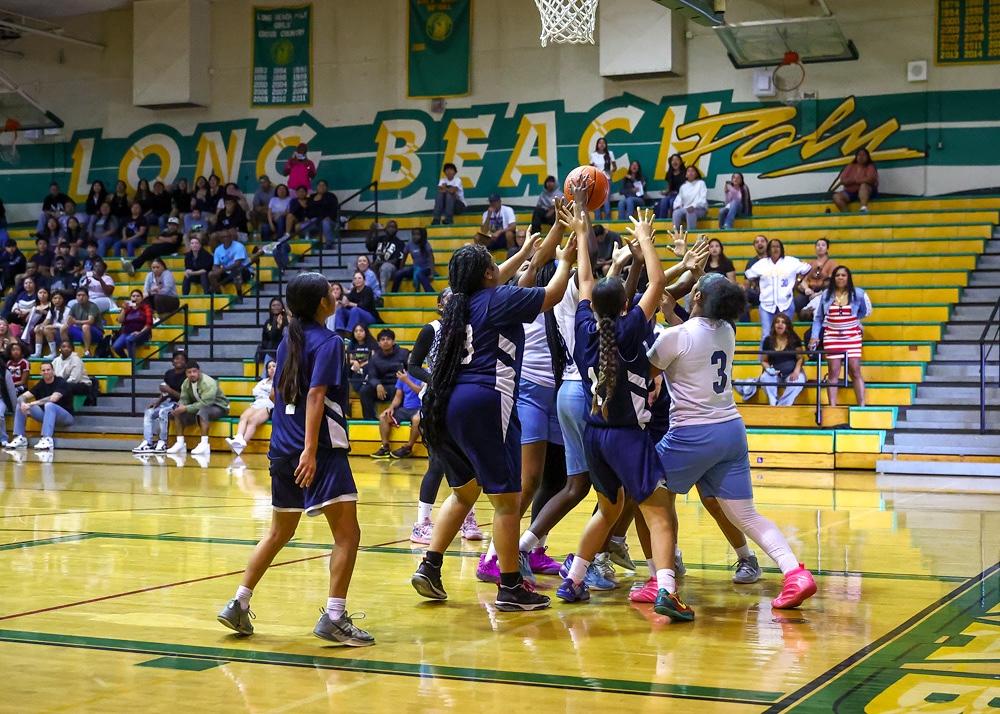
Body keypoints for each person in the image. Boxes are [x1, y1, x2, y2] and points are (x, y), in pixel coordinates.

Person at [410, 233, 575, 612]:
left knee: (464, 493)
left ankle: (430, 566)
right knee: (507, 502)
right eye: (493, 264)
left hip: (445, 403)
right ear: (487, 274)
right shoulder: (498, 299)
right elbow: (552, 295)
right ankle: (511, 586)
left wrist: (527, 251)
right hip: (486, 401)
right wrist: (564, 260)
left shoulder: (460, 304)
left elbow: (500, 275)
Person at [216, 272, 374, 646]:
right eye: (330, 293)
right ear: (323, 303)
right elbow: (316, 396)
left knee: (279, 532)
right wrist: (310, 450)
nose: (335, 296)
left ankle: (238, 603)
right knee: (348, 535)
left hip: (282, 447)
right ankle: (334, 617)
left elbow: (280, 394)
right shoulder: (330, 342)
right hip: (318, 450)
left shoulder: (289, 339)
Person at [648, 273, 817, 610]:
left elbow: (645, 371)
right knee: (747, 516)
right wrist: (672, 312)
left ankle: (661, 581)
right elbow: (693, 340)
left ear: (697, 296)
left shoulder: (675, 336)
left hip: (691, 433)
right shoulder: (727, 330)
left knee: (646, 492)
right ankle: (795, 573)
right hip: (730, 430)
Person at [406, 288, 482, 544]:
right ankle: (422, 523)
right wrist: (434, 380)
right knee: (437, 463)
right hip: (436, 400)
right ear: (440, 306)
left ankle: (467, 518)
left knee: (469, 463)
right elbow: (413, 365)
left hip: (463, 398)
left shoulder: (470, 329)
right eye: (448, 300)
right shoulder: (432, 329)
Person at [810, 265, 871, 407]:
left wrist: (851, 320)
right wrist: (814, 336)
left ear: (848, 277)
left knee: (855, 371)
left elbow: (866, 311)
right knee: (833, 372)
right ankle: (832, 407)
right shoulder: (826, 295)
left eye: (843, 275)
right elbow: (819, 318)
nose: (840, 278)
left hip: (852, 336)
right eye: (837, 275)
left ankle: (861, 405)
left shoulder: (858, 293)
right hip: (832, 337)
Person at [744, 238, 811, 344]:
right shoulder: (762, 263)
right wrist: (756, 286)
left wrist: (797, 282)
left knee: (786, 333)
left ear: (781, 249)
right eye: (773, 246)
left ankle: (785, 354)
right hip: (766, 304)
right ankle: (764, 355)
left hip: (786, 303)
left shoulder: (790, 261)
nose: (775, 249)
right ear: (769, 249)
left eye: (777, 246)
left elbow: (806, 268)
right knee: (766, 334)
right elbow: (749, 275)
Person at [2, 362, 75, 451]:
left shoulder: (61, 382)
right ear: (40, 373)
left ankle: (47, 438)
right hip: (47, 415)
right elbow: (22, 396)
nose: (46, 372)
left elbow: (53, 398)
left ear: (53, 371)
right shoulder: (41, 384)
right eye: (43, 370)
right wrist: (23, 403)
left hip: (65, 417)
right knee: (20, 405)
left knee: (49, 405)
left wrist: (31, 404)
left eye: (48, 370)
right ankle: (20, 437)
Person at [166, 360, 230, 455]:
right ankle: (180, 443)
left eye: (194, 371)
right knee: (179, 413)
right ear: (186, 373)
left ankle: (204, 444)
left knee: (203, 412)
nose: (192, 374)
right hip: (199, 406)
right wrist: (181, 406)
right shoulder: (186, 383)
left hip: (219, 406)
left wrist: (186, 408)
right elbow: (184, 398)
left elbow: (206, 403)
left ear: (199, 371)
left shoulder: (208, 382)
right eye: (189, 372)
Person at [133, 350, 187, 454]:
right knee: (149, 412)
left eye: (182, 359)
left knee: (163, 412)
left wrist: (169, 390)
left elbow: (184, 397)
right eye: (177, 359)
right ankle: (147, 442)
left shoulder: (186, 376)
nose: (179, 361)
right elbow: (165, 393)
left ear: (185, 362)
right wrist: (157, 402)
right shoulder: (169, 374)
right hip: (170, 402)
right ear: (172, 361)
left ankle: (162, 442)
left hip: (180, 404)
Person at [226, 359, 276, 456]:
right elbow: (256, 392)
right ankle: (238, 438)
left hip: (270, 405)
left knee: (252, 420)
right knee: (243, 416)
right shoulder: (263, 382)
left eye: (274, 366)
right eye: (269, 367)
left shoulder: (281, 381)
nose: (271, 369)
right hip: (258, 403)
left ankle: (242, 443)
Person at [371, 369, 423, 459]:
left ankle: (408, 447)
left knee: (417, 419)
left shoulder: (424, 375)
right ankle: (385, 447)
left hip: (420, 407)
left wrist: (406, 380)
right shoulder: (403, 375)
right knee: (384, 416)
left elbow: (421, 392)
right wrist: (391, 407)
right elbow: (398, 397)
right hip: (405, 409)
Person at [358, 328, 407, 420]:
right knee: (365, 391)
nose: (385, 342)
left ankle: (396, 418)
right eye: (382, 339)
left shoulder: (404, 354)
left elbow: (410, 371)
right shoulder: (374, 358)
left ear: (393, 341)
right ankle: (370, 419)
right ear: (379, 343)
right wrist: (377, 385)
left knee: (398, 391)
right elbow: (372, 375)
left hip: (399, 385)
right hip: (382, 387)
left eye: (388, 339)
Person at [758, 313, 806, 406]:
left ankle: (781, 406)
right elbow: (764, 361)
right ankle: (773, 403)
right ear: (774, 325)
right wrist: (769, 370)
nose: (780, 324)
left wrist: (796, 371)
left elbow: (800, 358)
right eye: (777, 322)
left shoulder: (794, 339)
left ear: (787, 326)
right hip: (774, 373)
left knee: (798, 381)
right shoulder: (768, 340)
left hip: (792, 372)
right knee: (764, 378)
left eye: (783, 322)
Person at [795, 238, 837, 320]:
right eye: (818, 245)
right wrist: (806, 289)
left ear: (827, 249)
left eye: (823, 245)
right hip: (810, 290)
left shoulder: (831, 263)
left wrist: (817, 294)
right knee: (797, 302)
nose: (820, 247)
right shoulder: (810, 263)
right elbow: (802, 279)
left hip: (824, 291)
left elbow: (831, 282)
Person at [332, 271, 381, 336]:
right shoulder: (353, 291)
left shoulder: (368, 290)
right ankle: (340, 331)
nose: (357, 280)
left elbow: (364, 306)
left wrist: (350, 304)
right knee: (341, 310)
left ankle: (349, 332)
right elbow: (348, 304)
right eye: (355, 278)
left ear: (364, 280)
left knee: (355, 309)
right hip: (355, 314)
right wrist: (344, 304)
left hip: (369, 316)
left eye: (359, 278)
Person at [832, 148, 878, 213]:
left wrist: (855, 181)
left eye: (863, 155)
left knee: (864, 185)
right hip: (850, 192)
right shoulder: (850, 166)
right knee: (836, 197)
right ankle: (847, 215)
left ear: (868, 157)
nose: (861, 157)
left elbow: (870, 179)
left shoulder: (870, 166)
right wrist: (847, 182)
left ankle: (864, 208)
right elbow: (842, 180)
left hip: (868, 192)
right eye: (859, 155)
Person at [112, 289, 154, 359]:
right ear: (131, 298)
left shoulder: (146, 308)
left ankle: (132, 362)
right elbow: (120, 320)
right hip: (127, 332)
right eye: (133, 296)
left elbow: (149, 323)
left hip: (142, 333)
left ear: (142, 298)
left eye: (138, 296)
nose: (135, 298)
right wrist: (124, 309)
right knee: (116, 346)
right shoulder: (128, 308)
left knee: (129, 340)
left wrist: (140, 333)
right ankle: (126, 360)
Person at [392, 227, 435, 293]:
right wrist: (401, 269)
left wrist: (432, 274)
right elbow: (404, 258)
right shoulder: (409, 244)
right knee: (399, 273)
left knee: (419, 274)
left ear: (422, 236)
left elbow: (431, 258)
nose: (415, 237)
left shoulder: (426, 244)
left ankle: (431, 292)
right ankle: (394, 293)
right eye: (413, 235)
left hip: (426, 268)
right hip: (415, 268)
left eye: (417, 235)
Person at [63, 287, 103, 357]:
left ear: (88, 297)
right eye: (79, 295)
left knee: (85, 326)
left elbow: (90, 321)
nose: (81, 297)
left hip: (95, 332)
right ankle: (68, 351)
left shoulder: (92, 306)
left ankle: (87, 352)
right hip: (82, 332)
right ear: (76, 297)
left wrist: (75, 321)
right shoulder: (75, 306)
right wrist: (67, 323)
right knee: (63, 328)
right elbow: (69, 318)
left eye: (83, 295)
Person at [209, 230, 251, 294]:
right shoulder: (218, 250)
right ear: (220, 239)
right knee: (211, 274)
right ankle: (219, 294)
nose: (226, 239)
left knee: (236, 270)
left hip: (244, 271)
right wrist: (216, 270)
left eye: (228, 236)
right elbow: (216, 265)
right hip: (227, 272)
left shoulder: (239, 246)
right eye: (223, 237)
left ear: (231, 237)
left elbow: (237, 263)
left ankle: (239, 294)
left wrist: (222, 269)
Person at [371, 221, 405, 293]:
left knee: (386, 267)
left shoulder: (400, 243)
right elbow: (369, 246)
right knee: (360, 265)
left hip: (392, 270)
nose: (391, 229)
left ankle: (382, 292)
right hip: (376, 267)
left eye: (393, 227)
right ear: (385, 229)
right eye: (389, 227)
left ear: (397, 230)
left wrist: (378, 263)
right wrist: (371, 231)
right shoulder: (380, 240)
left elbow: (395, 261)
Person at [589, 137, 616, 220]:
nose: (601, 144)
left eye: (603, 143)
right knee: (597, 199)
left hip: (607, 179)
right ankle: (598, 220)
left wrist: (610, 171)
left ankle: (608, 220)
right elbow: (591, 167)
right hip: (597, 179)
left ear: (606, 145)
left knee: (606, 200)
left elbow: (614, 167)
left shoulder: (610, 153)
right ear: (597, 144)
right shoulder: (593, 155)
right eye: (600, 143)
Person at [346, 323, 377, 394]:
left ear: (365, 332)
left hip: (368, 367)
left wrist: (362, 365)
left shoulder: (372, 343)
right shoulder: (352, 343)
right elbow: (348, 359)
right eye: (356, 331)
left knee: (369, 366)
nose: (358, 333)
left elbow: (374, 358)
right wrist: (354, 362)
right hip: (356, 368)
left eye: (361, 331)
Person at [655, 153, 687, 219]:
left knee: (672, 201)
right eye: (673, 160)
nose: (675, 161)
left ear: (680, 162)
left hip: (681, 195)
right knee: (663, 201)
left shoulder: (685, 173)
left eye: (677, 160)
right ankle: (662, 220)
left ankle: (674, 220)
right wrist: (665, 192)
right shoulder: (669, 174)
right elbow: (668, 187)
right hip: (671, 194)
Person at [38, 291, 69, 358]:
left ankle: (54, 353)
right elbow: (46, 322)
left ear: (63, 299)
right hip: (54, 329)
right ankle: (38, 352)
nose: (57, 300)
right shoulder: (52, 310)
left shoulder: (67, 310)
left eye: (59, 298)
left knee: (47, 330)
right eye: (55, 298)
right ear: (51, 300)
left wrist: (50, 326)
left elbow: (64, 325)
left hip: (64, 330)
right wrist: (39, 326)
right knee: (39, 330)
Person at [25, 287, 53, 357]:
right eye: (40, 293)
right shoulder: (35, 306)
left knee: (33, 332)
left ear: (48, 294)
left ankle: (35, 351)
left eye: (44, 293)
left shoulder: (51, 305)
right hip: (33, 326)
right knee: (19, 336)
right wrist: (32, 311)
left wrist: (44, 312)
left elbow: (51, 317)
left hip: (46, 326)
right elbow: (27, 321)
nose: (42, 295)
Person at [258, 298, 286, 363]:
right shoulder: (268, 322)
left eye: (278, 305)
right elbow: (266, 338)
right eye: (273, 305)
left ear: (282, 307)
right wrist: (278, 327)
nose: (276, 307)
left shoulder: (287, 321)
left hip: (284, 352)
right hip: (271, 353)